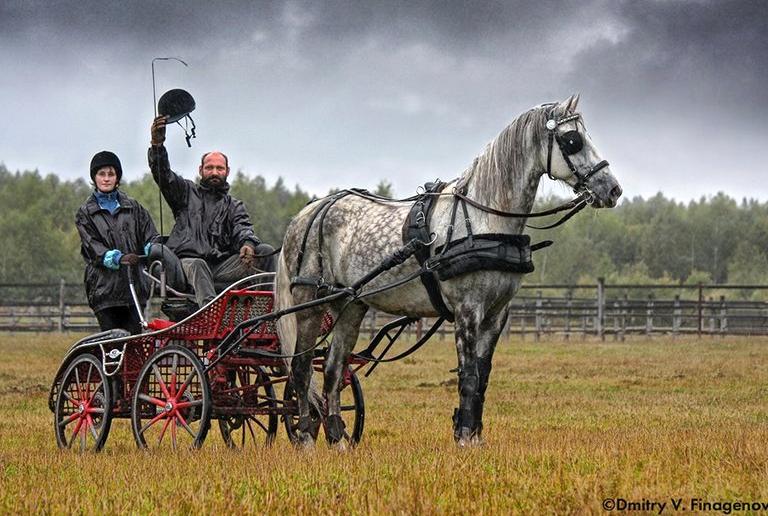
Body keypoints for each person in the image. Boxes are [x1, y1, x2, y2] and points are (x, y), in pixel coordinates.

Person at [147, 115, 276, 309]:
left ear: (227, 171)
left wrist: (247, 243)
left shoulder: (234, 205)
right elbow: (163, 175)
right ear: (201, 170)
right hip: (187, 263)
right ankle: (210, 313)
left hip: (222, 266)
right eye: (209, 168)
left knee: (264, 251)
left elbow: (243, 227)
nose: (214, 172)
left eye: (219, 168)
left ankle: (266, 312)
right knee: (199, 265)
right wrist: (157, 145)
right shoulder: (185, 193)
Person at [76, 151, 158, 334]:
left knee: (135, 342)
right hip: (104, 291)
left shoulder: (134, 207)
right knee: (114, 344)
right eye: (101, 174)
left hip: (134, 289)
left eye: (111, 174)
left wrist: (152, 250)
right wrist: (117, 258)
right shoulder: (85, 213)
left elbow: (150, 235)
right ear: (94, 177)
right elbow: (92, 246)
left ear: (117, 177)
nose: (106, 179)